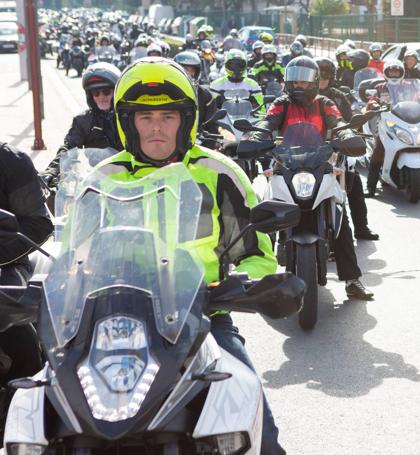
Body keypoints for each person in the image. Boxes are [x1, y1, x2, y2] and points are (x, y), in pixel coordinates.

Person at [96, 57, 284, 454]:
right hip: (116, 326)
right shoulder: (103, 178)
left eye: (168, 115)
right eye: (145, 117)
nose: (158, 127)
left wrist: (236, 285)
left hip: (205, 321)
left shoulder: (219, 172)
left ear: (188, 119)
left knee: (258, 432)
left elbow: (257, 252)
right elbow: (74, 255)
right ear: (127, 122)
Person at [251, 57, 374, 299]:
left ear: (315, 83)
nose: (299, 86)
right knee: (265, 212)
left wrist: (347, 133)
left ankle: (352, 279)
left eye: (304, 82)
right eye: (294, 81)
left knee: (339, 215)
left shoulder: (324, 103)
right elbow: (268, 119)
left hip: (320, 164)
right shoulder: (281, 103)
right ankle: (261, 276)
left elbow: (337, 121)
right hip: (285, 164)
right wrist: (257, 135)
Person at [0, 141, 52, 398]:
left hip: (5, 261)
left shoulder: (11, 161)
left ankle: (21, 415)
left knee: (21, 337)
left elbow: (37, 223)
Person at [316, 57, 379, 241]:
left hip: (335, 147)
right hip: (308, 149)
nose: (322, 79)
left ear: (332, 77)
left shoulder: (338, 96)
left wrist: (355, 126)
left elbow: (350, 119)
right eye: (319, 75)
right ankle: (278, 237)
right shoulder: (302, 95)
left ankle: (361, 227)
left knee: (354, 182)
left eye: (326, 75)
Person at [365, 59, 420, 197]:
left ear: (401, 72)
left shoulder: (410, 86)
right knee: (379, 150)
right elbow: (371, 100)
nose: (394, 74)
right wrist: (373, 104)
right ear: (386, 73)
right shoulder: (380, 87)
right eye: (391, 71)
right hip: (387, 121)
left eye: (396, 71)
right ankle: (370, 187)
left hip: (409, 120)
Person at [41, 62, 123, 190]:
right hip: (98, 182)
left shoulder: (128, 117)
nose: (101, 97)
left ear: (116, 92)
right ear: (90, 96)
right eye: (96, 93)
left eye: (106, 91)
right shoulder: (83, 121)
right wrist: (52, 171)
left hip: (132, 180)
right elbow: (68, 147)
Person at [174, 50, 218, 132]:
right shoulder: (167, 91)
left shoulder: (205, 96)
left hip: (198, 141)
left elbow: (211, 126)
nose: (189, 73)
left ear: (197, 72)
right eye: (185, 69)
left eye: (192, 70)